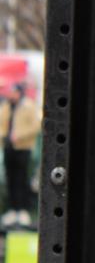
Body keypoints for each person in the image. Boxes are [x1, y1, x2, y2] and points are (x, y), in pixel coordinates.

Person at [0, 83, 40, 228]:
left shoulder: (28, 105)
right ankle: (13, 209)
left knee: (21, 178)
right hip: (8, 147)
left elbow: (35, 126)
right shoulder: (6, 106)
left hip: (23, 147)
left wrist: (20, 136)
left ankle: (23, 210)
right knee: (10, 178)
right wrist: (4, 136)